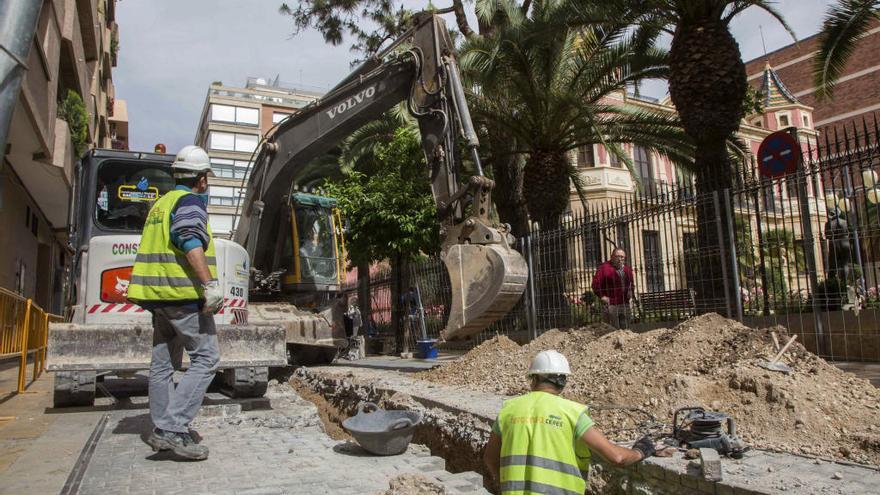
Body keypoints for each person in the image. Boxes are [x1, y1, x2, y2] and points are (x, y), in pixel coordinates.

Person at [127, 145, 224, 461]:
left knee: (163, 363)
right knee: (207, 357)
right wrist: (209, 284)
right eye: (206, 178)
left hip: (158, 299)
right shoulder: (189, 201)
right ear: (201, 180)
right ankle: (172, 427)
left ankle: (161, 428)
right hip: (182, 295)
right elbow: (189, 240)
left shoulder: (160, 205)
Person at [483, 350, 656, 494]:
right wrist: (641, 451)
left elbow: (490, 458)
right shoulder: (572, 413)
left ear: (533, 379)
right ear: (563, 382)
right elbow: (617, 457)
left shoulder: (508, 410)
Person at [591, 248, 634, 329]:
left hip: (625, 304)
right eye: (617, 256)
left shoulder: (627, 269)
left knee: (626, 330)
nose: (620, 259)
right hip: (611, 304)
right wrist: (602, 296)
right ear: (612, 257)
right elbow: (595, 285)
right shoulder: (604, 268)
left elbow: (631, 284)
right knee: (613, 331)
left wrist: (631, 291)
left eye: (622, 257)